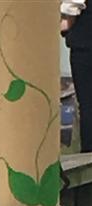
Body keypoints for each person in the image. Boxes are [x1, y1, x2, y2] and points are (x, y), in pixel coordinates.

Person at [63, 0, 92, 152]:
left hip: (85, 43)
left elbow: (72, 7)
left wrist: (66, 27)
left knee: (87, 104)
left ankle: (89, 153)